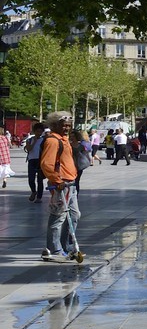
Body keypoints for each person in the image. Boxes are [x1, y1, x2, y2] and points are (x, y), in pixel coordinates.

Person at [39, 113, 82, 264]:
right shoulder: (52, 141)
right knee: (58, 216)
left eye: (69, 125)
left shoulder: (64, 140)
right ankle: (54, 249)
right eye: (63, 125)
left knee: (74, 215)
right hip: (62, 184)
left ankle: (65, 245)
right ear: (54, 125)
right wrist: (56, 181)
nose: (67, 128)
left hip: (71, 183)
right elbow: (46, 164)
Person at [24, 120, 46, 201]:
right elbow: (29, 149)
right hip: (32, 160)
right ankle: (33, 191)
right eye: (37, 131)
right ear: (34, 131)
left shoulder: (44, 140)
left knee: (40, 180)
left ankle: (39, 197)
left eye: (40, 131)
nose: (39, 133)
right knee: (31, 179)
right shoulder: (29, 140)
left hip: (40, 161)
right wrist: (34, 142)